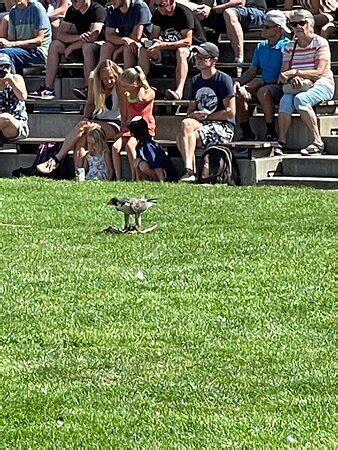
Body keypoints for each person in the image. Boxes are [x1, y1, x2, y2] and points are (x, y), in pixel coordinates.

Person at [37, 59, 122, 174]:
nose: (109, 81)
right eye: (105, 78)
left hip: (115, 123)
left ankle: (56, 159)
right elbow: (90, 104)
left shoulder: (121, 83)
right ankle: (79, 174)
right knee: (80, 139)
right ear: (100, 77)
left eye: (111, 77)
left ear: (116, 74)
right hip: (98, 120)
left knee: (83, 126)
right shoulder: (94, 81)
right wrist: (86, 118)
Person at [276, 9, 335, 156]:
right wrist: (292, 78)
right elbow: (283, 74)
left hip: (323, 83)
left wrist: (296, 73)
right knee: (285, 101)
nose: (297, 27)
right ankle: (281, 142)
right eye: (294, 24)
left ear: (311, 24)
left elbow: (320, 72)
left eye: (301, 23)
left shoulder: (321, 43)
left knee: (301, 99)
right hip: (298, 85)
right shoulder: (290, 46)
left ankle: (317, 142)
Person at [176, 42, 236, 183]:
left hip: (223, 126)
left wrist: (208, 116)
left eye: (203, 57)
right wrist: (194, 115)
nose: (198, 59)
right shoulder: (196, 80)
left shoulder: (223, 79)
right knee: (186, 124)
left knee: (182, 139)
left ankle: (190, 171)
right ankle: (189, 171)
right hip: (202, 124)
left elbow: (230, 112)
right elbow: (191, 110)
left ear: (214, 60)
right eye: (197, 56)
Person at [28, 0, 106, 100]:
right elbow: (60, 34)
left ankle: (89, 88)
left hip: (96, 48)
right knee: (55, 45)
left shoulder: (98, 9)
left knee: (87, 47)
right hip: (79, 45)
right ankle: (48, 89)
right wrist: (78, 38)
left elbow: (93, 36)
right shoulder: (72, 10)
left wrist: (72, 46)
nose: (73, 2)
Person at [234, 10, 290, 141]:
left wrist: (262, 83)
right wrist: (238, 81)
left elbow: (284, 75)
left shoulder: (288, 46)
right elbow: (252, 71)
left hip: (280, 87)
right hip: (264, 85)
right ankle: (246, 132)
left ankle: (271, 131)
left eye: (267, 26)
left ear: (278, 29)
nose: (262, 28)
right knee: (240, 92)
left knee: (263, 92)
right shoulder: (261, 46)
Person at [138, 0, 206, 101]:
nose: (158, 8)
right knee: (144, 51)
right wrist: (148, 43)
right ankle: (141, 87)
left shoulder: (183, 13)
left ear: (171, 2)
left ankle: (179, 91)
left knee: (181, 52)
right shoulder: (158, 14)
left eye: (161, 5)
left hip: (194, 48)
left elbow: (188, 41)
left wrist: (164, 44)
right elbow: (154, 36)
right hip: (167, 47)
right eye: (156, 5)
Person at [112, 66, 155, 180]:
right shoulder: (128, 95)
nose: (124, 89)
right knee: (115, 147)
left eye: (126, 86)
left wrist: (142, 86)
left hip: (142, 128)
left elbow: (141, 99)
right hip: (130, 128)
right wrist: (122, 131)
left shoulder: (149, 92)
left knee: (130, 146)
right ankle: (118, 177)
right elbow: (125, 116)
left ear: (136, 84)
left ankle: (135, 176)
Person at [195, 0, 267, 63]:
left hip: (255, 12)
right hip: (228, 14)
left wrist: (211, 10)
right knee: (198, 15)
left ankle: (239, 59)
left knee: (229, 12)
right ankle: (205, 55)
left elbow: (239, 3)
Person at [100, 0, 152, 69]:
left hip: (143, 42)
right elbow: (109, 35)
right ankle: (105, 77)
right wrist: (124, 40)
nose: (111, 1)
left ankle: (128, 78)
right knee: (106, 47)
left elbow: (136, 36)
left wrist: (118, 50)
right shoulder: (112, 10)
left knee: (128, 48)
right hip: (126, 41)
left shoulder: (139, 6)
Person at [0, 0, 51, 69]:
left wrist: (11, 44)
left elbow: (38, 41)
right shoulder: (13, 12)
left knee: (4, 54)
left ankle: (10, 78)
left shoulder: (36, 8)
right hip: (20, 51)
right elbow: (12, 41)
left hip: (38, 52)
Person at [128, 115, 176, 181]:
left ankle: (160, 180)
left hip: (165, 173)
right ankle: (140, 180)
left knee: (142, 165)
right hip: (153, 169)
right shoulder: (140, 145)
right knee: (137, 161)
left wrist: (162, 181)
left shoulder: (149, 145)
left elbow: (157, 165)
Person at [0, 52, 29, 144]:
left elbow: (22, 97)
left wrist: (11, 81)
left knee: (6, 117)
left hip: (16, 124)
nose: (4, 70)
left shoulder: (16, 78)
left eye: (6, 66)